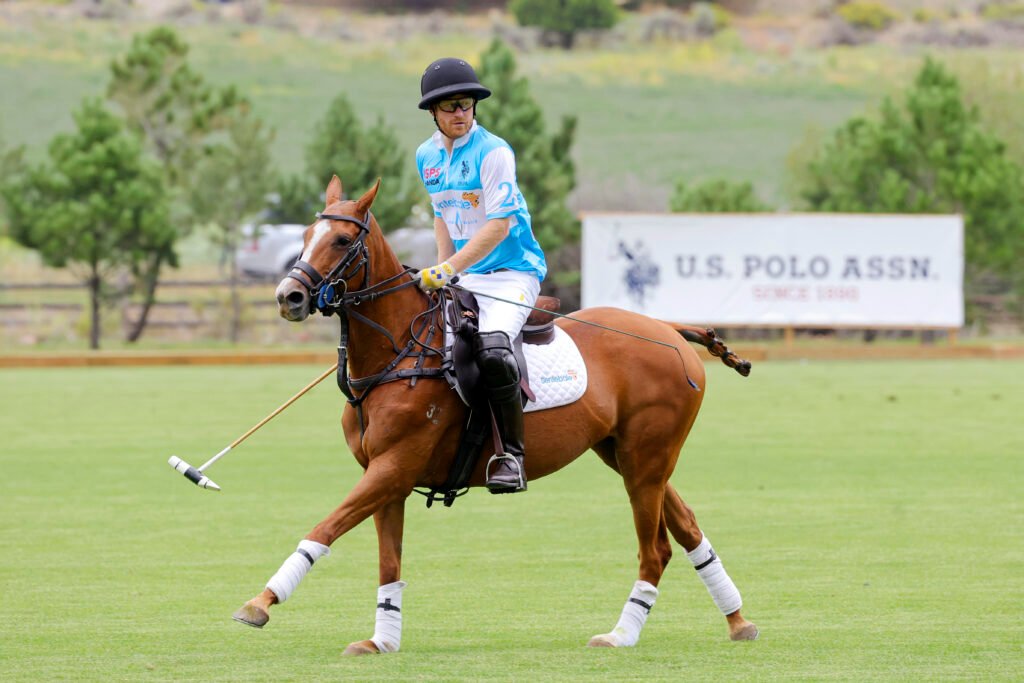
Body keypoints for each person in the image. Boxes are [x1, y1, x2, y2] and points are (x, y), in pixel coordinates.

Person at [415, 57, 547, 494]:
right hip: (466, 274)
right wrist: (444, 271)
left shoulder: (494, 152)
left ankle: (511, 455)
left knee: (491, 350)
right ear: (433, 112)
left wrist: (449, 269)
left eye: (466, 104)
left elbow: (499, 225)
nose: (459, 113)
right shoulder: (427, 155)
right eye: (450, 106)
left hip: (512, 272)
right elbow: (442, 215)